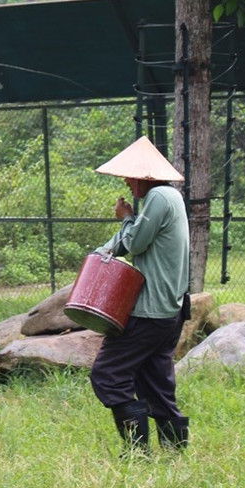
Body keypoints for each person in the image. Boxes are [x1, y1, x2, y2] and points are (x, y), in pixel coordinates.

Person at [89, 136, 191, 454]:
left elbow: (134, 244)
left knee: (107, 374)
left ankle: (137, 449)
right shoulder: (167, 198)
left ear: (144, 176)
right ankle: (175, 450)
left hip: (150, 310)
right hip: (170, 311)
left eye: (129, 175)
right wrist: (104, 250)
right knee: (155, 381)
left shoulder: (159, 197)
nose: (125, 180)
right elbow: (125, 241)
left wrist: (127, 219)